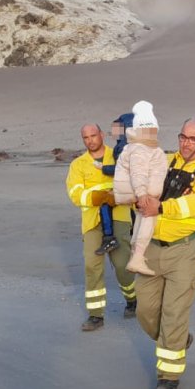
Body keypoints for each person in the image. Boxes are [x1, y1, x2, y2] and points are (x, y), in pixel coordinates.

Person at [134, 118, 195, 389]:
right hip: (150, 248)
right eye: (183, 137)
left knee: (174, 313)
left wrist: (161, 208)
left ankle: (168, 377)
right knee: (146, 312)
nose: (186, 143)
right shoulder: (164, 160)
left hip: (184, 251)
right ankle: (180, 340)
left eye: (193, 139)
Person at [65, 123, 137, 332]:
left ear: (102, 135)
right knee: (92, 266)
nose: (90, 141)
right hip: (92, 221)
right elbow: (75, 194)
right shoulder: (78, 164)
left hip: (119, 216)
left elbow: (133, 181)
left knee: (123, 264)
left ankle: (132, 300)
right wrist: (99, 197)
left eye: (93, 136)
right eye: (85, 138)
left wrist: (119, 197)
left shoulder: (118, 156)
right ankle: (96, 315)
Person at [112, 101, 168, 276]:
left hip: (142, 192)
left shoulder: (140, 146)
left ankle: (136, 255)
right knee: (148, 219)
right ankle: (138, 256)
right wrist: (142, 192)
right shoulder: (141, 148)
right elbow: (139, 172)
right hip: (146, 193)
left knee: (140, 219)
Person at [94, 111, 134, 256]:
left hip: (129, 187)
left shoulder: (123, 147)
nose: (113, 132)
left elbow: (121, 169)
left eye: (116, 128)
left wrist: (103, 168)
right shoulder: (138, 145)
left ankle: (109, 238)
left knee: (105, 204)